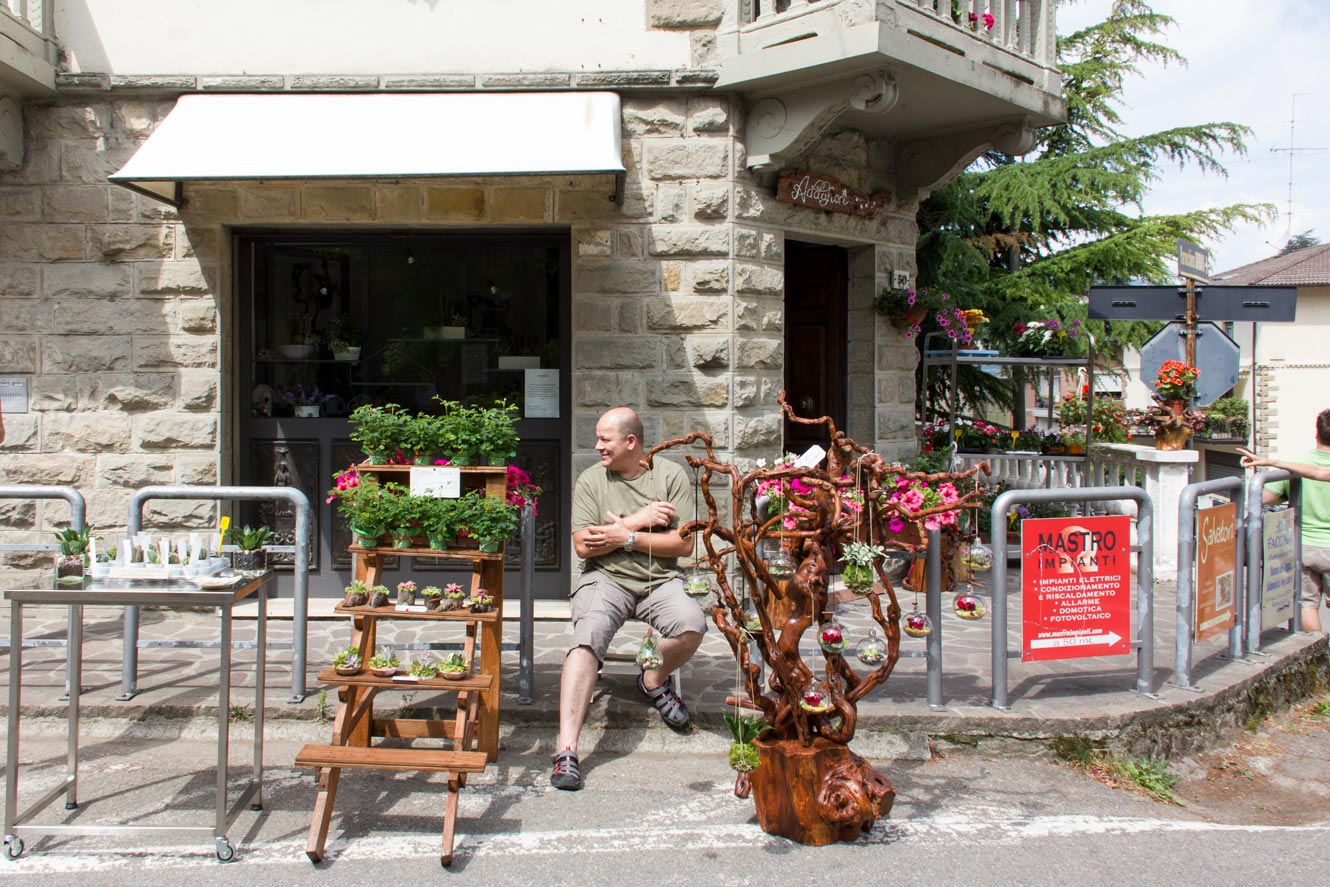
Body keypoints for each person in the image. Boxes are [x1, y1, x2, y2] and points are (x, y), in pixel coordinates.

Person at [551, 406, 706, 791]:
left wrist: (627, 538)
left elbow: (682, 546)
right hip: (606, 578)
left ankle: (652, 679)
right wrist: (637, 521)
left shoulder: (669, 476)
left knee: (693, 625)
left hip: (661, 581)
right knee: (585, 640)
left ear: (631, 442)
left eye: (605, 439)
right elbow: (584, 547)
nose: (598, 446)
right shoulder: (591, 479)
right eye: (599, 439)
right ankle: (566, 750)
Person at [1238, 409, 1330, 631]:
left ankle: (1322, 658)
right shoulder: (1305, 467)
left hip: (1304, 545)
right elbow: (1320, 473)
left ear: (1316, 434)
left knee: (1306, 605)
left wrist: (1273, 467)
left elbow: (1265, 498)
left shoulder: (1296, 464)